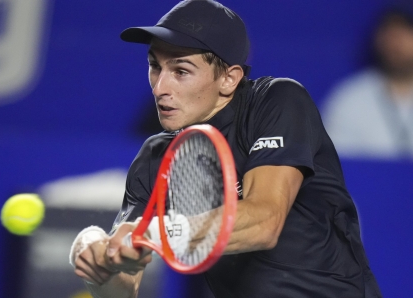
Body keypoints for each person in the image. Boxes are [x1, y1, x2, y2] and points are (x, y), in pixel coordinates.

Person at [69, 1, 382, 297]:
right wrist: (99, 261)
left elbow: (264, 221)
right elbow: (124, 288)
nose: (160, 87)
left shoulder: (278, 100)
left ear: (229, 78)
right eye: (155, 66)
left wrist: (153, 233)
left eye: (180, 71)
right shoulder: (155, 159)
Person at [321, 1, 413, 160]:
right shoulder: (350, 98)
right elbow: (331, 164)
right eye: (390, 34)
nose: (396, 43)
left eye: (405, 33)